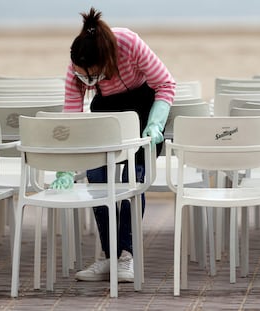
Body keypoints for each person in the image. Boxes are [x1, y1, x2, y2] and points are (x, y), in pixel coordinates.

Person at [51, 7, 175, 283]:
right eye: (83, 77)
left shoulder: (129, 43)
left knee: (134, 179)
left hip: (143, 109)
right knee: (97, 179)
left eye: (92, 77)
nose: (87, 81)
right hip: (106, 112)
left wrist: (155, 123)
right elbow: (72, 115)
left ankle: (127, 257)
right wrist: (66, 167)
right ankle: (109, 256)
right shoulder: (77, 67)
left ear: (107, 61)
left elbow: (165, 84)